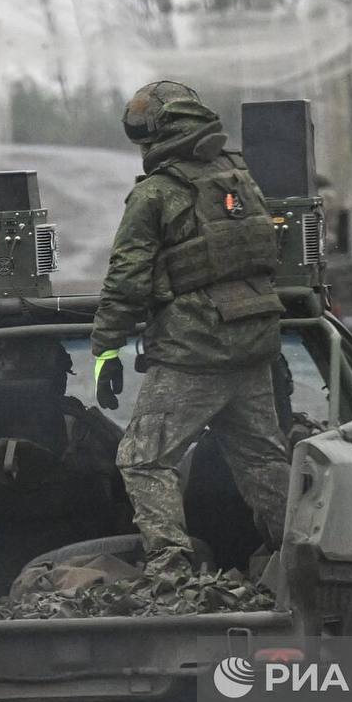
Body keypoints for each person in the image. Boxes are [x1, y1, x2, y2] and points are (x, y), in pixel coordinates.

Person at [90, 80, 292, 571]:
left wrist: (105, 349)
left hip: (194, 352)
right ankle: (302, 556)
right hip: (252, 347)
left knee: (141, 459)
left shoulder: (157, 192)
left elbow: (127, 277)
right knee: (263, 461)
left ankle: (171, 568)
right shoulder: (240, 178)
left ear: (156, 133)